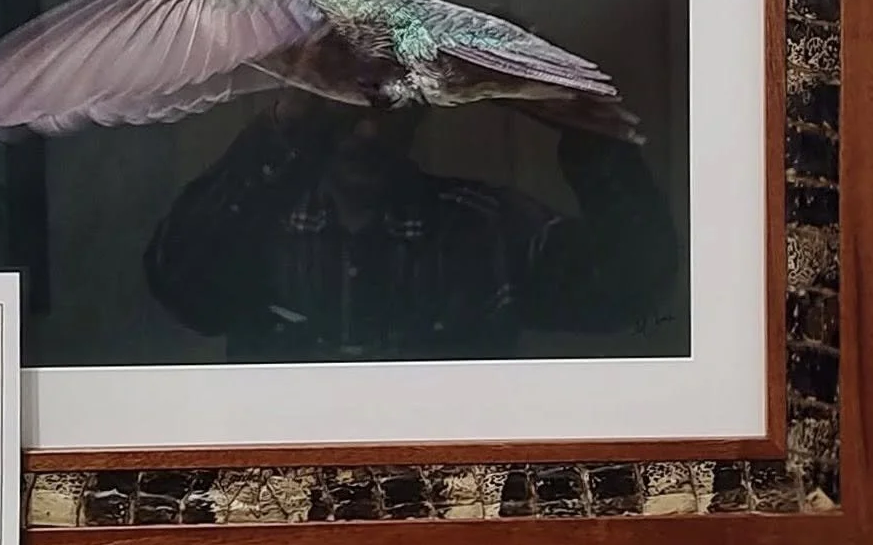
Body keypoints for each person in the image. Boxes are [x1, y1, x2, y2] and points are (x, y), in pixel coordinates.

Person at [142, 87, 682, 364]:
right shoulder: (255, 223)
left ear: (421, 109)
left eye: (390, 104)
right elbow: (182, 288)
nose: (368, 131)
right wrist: (282, 125)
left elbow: (632, 290)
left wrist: (580, 118)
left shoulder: (487, 228)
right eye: (345, 106)